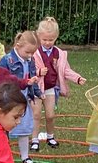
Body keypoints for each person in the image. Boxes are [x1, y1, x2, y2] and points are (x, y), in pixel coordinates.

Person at [31, 16, 86, 150]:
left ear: (56, 37)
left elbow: (65, 70)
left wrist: (77, 78)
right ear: (38, 36)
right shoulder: (33, 52)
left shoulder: (59, 53)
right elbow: (27, 70)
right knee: (36, 115)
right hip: (36, 88)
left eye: (51, 39)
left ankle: (50, 137)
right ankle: (34, 139)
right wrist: (38, 72)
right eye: (44, 39)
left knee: (50, 115)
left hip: (50, 88)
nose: (48, 42)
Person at [0, 30, 44, 163]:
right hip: (10, 99)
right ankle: (4, 156)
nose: (30, 56)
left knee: (24, 128)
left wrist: (37, 92)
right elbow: (2, 80)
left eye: (32, 53)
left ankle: (25, 157)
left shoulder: (30, 60)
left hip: (24, 99)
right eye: (27, 52)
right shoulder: (7, 60)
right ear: (18, 45)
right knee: (6, 128)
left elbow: (33, 78)